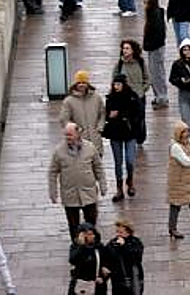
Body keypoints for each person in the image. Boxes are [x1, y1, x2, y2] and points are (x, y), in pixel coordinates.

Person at [48, 122, 106, 237]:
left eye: (70, 135)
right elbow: (53, 172)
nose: (67, 138)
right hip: (70, 194)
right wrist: (53, 192)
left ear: (78, 134)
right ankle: (77, 247)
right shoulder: (59, 151)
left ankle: (91, 246)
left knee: (91, 223)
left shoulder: (90, 147)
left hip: (88, 193)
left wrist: (103, 185)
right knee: (73, 226)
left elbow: (98, 167)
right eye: (66, 135)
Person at [102, 74, 140, 202]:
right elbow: (106, 115)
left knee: (130, 160)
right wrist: (109, 116)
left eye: (119, 84)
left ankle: (130, 181)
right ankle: (119, 189)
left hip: (129, 132)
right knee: (118, 162)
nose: (116, 86)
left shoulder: (132, 96)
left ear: (124, 84)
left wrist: (121, 114)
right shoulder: (110, 98)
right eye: (115, 84)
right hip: (115, 133)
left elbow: (139, 113)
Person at [112, 38, 148, 138]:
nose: (125, 50)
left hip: (139, 97)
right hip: (124, 98)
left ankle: (140, 137)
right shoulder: (119, 64)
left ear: (133, 50)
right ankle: (131, 137)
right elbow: (114, 79)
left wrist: (142, 89)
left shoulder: (140, 62)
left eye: (127, 48)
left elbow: (147, 78)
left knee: (140, 118)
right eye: (123, 48)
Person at [67, 223, 110, 295]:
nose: (92, 236)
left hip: (97, 283)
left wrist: (103, 277)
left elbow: (106, 263)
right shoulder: (76, 247)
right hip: (80, 284)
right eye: (88, 234)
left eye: (92, 234)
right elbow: (73, 260)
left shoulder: (99, 246)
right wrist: (82, 245)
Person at [143, 0, 170, 109]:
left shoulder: (155, 16)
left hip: (155, 48)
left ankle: (162, 97)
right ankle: (159, 96)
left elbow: (158, 35)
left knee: (156, 73)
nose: (144, 6)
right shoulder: (153, 15)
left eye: (146, 3)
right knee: (155, 72)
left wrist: (149, 45)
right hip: (153, 47)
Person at [105, 219, 144, 295]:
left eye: (121, 232)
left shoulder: (135, 242)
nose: (119, 235)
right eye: (117, 232)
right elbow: (107, 256)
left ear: (128, 232)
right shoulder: (112, 243)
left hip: (132, 278)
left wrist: (124, 246)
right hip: (118, 279)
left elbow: (136, 257)